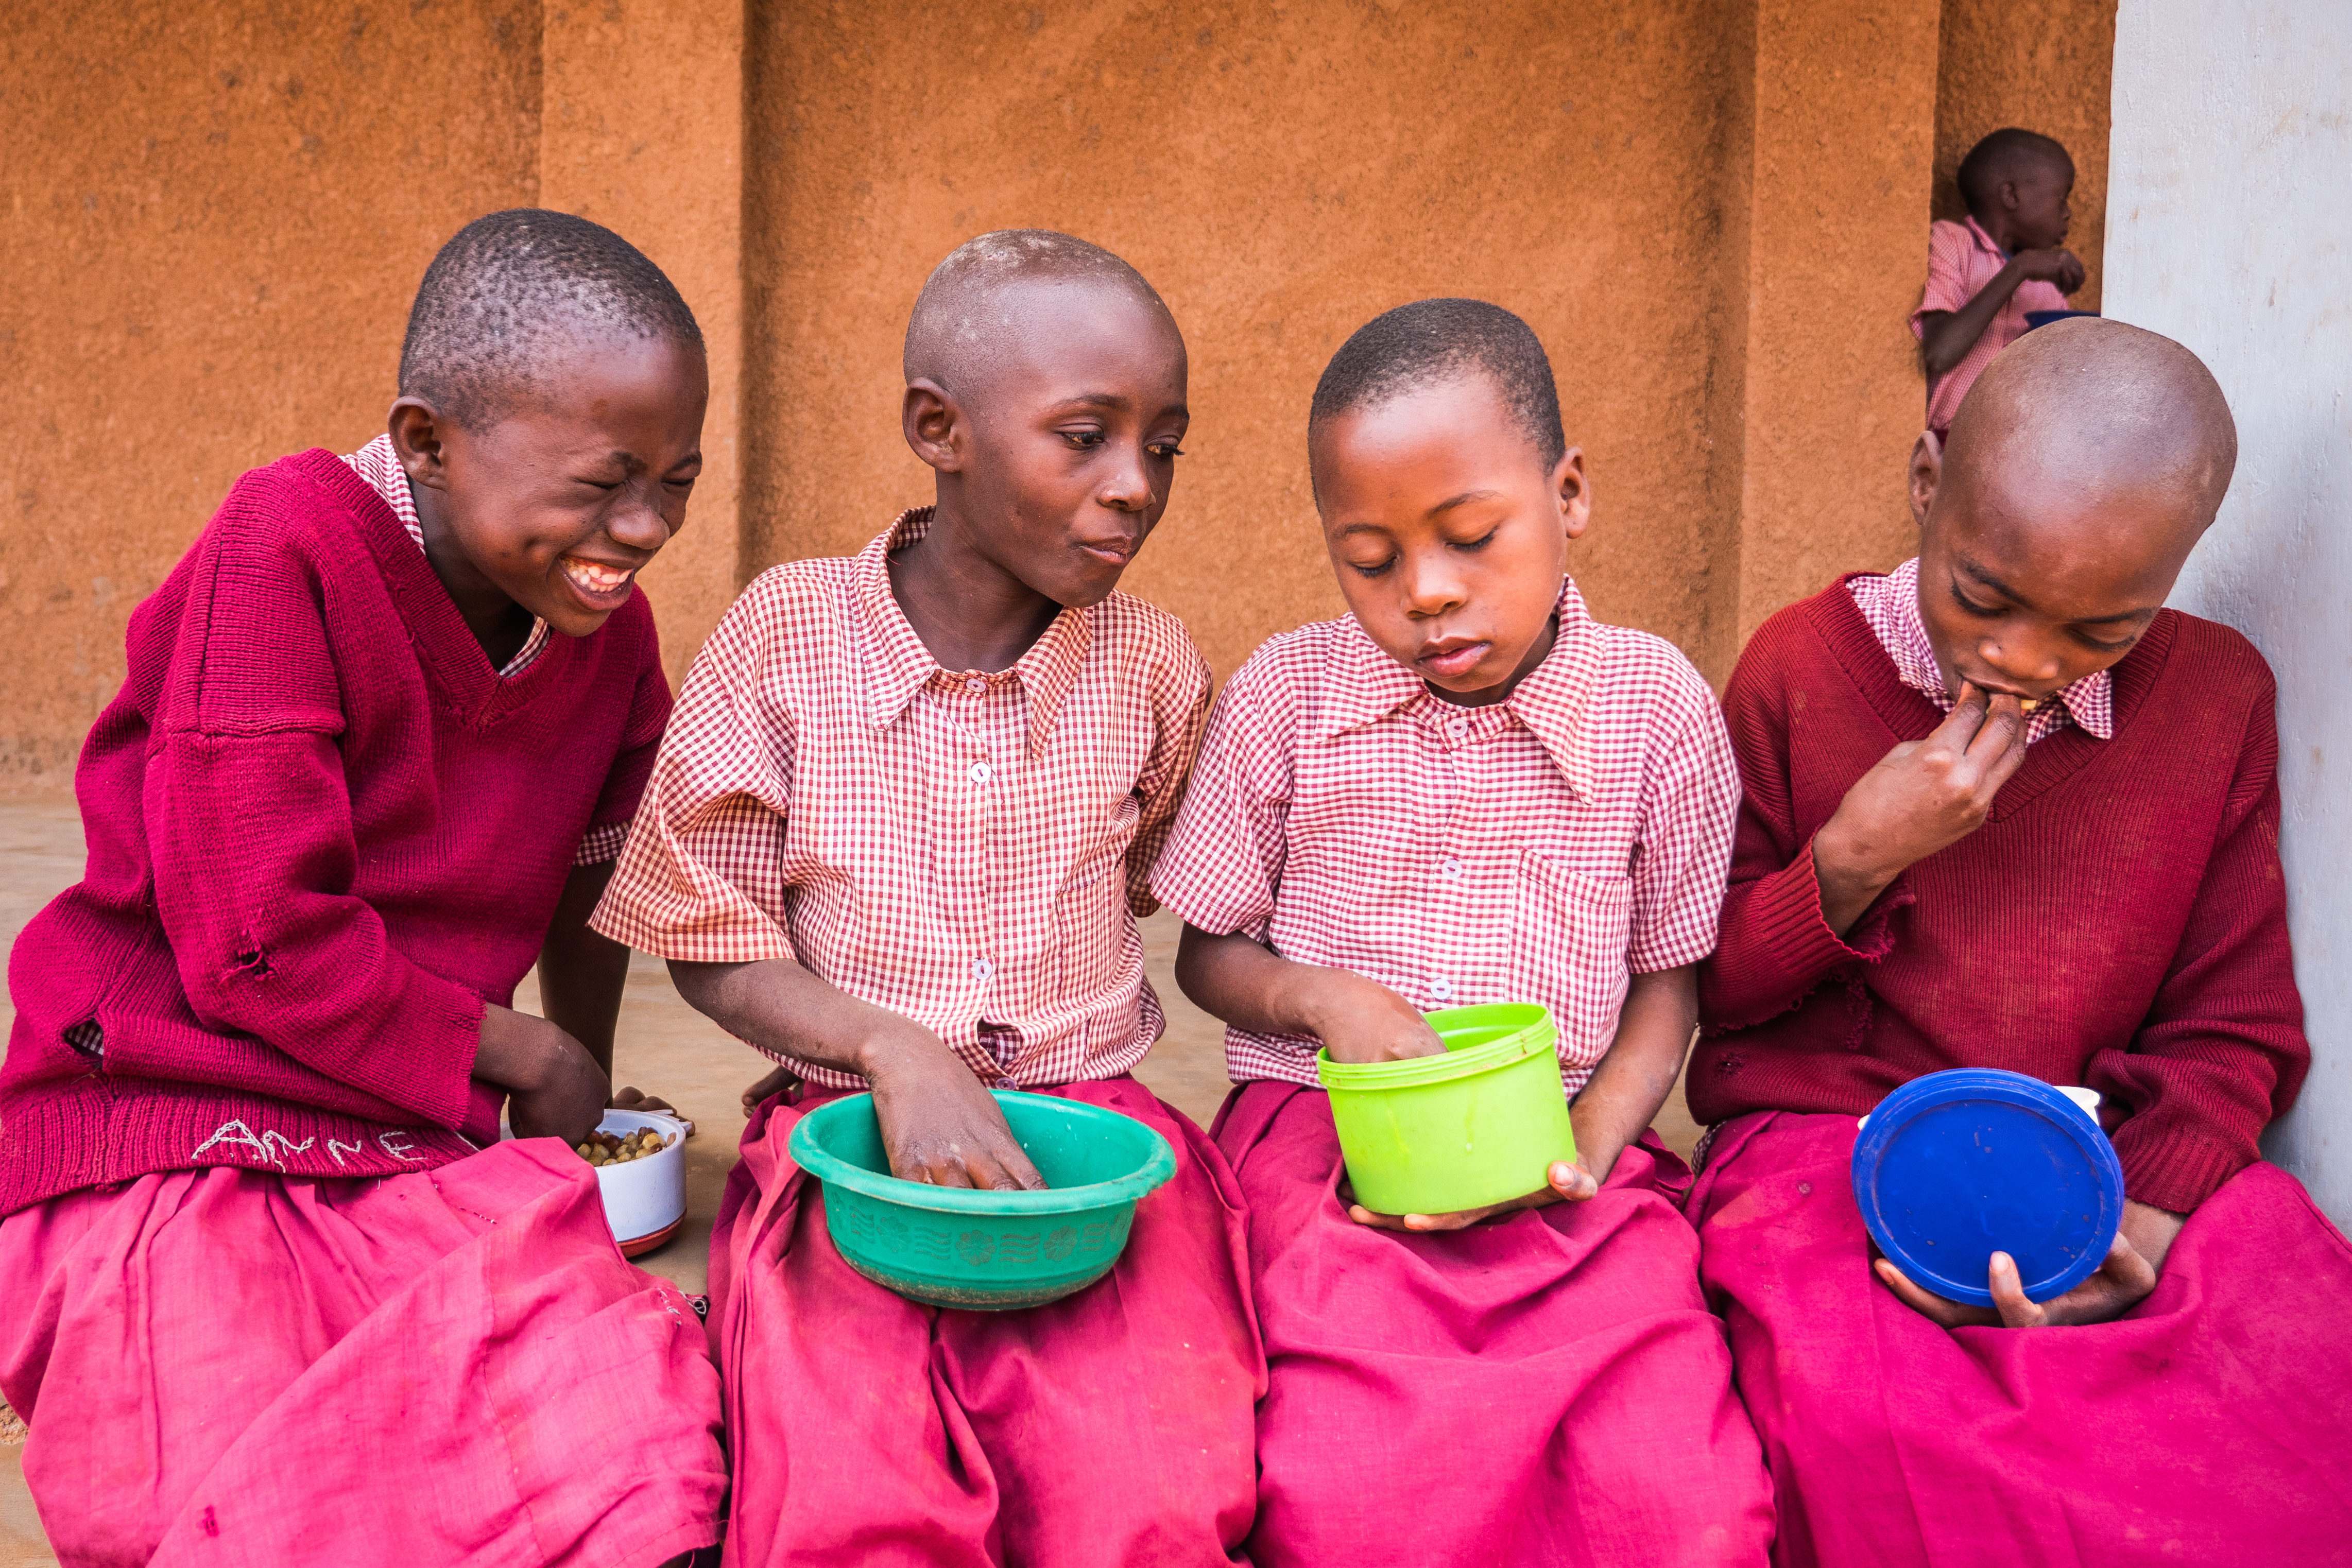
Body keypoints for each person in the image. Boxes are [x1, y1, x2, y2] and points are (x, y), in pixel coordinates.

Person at [0, 210, 727, 1563]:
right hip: (169, 1101)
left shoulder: (604, 631)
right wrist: (515, 1047)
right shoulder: (282, 551)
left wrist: (588, 1079)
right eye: (603, 481)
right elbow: (257, 948)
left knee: (631, 1436)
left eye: (675, 481)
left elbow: (592, 868)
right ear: (428, 441)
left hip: (398, 1115)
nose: (642, 529)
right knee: (214, 1457)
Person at [589, 230, 1260, 1567]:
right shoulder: (785, 634)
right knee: (850, 1485)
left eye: (1164, 446)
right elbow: (705, 930)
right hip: (841, 1145)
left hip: (1093, 1150)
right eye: (1084, 436)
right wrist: (886, 1044)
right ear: (936, 429)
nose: (1134, 486)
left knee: (1155, 1488)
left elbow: (1173, 879)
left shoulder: (1150, 666)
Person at [1690, 318, 2352, 1565]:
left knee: (2294, 1394)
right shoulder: (1796, 669)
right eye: (1982, 599)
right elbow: (1705, 992)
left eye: (2098, 632)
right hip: (1825, 1150)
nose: (2023, 663)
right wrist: (1850, 859)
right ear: (1925, 484)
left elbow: (2236, 1027)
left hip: (2098, 1160)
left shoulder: (2216, 702)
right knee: (1872, 1440)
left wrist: (2143, 1220)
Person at [1152, 298, 1776, 1567]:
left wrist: (1590, 1143)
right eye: (1368, 561)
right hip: (1320, 1138)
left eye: (1472, 537)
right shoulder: (1284, 693)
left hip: (1564, 1139)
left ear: (1570, 494)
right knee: (1343, 1481)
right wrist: (1321, 1001)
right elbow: (1205, 951)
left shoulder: (1657, 710)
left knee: (1672, 1483)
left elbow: (1668, 983)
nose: (1427, 595)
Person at [1915, 127, 2086, 441]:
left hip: (2018, 449)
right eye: (2062, 197)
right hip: (1950, 445)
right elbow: (1940, 352)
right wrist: (2019, 269)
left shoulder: (2047, 288)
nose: (2068, 213)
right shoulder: (1953, 242)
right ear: (2011, 196)